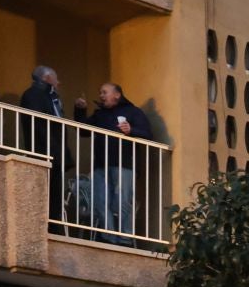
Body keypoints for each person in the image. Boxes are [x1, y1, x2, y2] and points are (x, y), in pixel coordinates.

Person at [74, 82, 151, 244]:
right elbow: (82, 130)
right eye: (100, 93)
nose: (101, 96)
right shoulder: (100, 114)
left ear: (117, 95)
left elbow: (148, 134)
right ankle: (107, 236)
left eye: (104, 92)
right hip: (101, 164)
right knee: (101, 201)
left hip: (124, 164)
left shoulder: (133, 112)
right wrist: (80, 111)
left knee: (123, 201)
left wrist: (131, 131)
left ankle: (125, 238)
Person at [18, 66, 69, 225]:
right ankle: (44, 227)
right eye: (55, 78)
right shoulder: (33, 95)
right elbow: (39, 125)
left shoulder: (51, 96)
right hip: (43, 151)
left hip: (54, 151)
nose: (58, 81)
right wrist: (52, 147)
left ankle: (55, 227)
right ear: (46, 78)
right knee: (43, 192)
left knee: (55, 194)